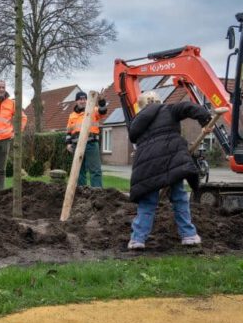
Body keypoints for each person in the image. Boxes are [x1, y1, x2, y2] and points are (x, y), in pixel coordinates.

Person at [127, 92, 212, 249]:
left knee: (148, 202)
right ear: (159, 101)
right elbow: (188, 106)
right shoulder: (169, 109)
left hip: (148, 165)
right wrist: (205, 120)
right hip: (172, 161)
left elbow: (136, 139)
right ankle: (189, 235)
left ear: (140, 106)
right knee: (179, 197)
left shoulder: (138, 121)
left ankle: (137, 239)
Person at [65, 91, 107, 188]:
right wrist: (68, 144)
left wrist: (101, 102)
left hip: (91, 144)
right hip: (76, 146)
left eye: (84, 99)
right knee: (79, 170)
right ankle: (81, 191)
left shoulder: (93, 110)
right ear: (76, 101)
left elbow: (102, 111)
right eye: (80, 99)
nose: (83, 101)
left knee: (95, 170)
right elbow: (68, 131)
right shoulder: (72, 116)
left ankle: (97, 192)